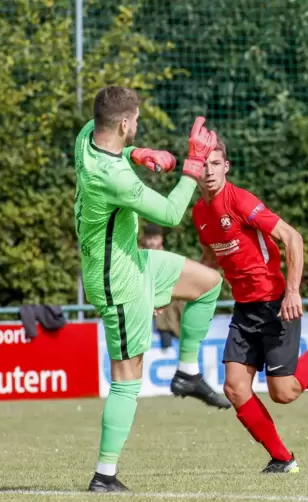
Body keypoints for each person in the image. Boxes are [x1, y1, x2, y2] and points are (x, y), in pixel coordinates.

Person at [75, 86, 230, 492]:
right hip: (117, 282)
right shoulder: (114, 178)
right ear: (125, 123)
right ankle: (104, 476)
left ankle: (188, 372)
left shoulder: (86, 136)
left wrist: (138, 152)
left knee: (209, 283)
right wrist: (194, 163)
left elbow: (115, 148)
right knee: (128, 378)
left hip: (135, 261)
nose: (137, 126)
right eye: (137, 122)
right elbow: (171, 213)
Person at [192, 137, 308, 473]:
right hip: (244, 309)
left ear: (226, 167)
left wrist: (292, 291)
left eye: (216, 164)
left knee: (283, 393)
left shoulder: (240, 200)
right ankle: (283, 458)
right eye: (203, 164)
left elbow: (292, 237)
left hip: (275, 303)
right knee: (234, 387)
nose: (209, 171)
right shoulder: (199, 213)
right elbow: (210, 258)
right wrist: (173, 291)